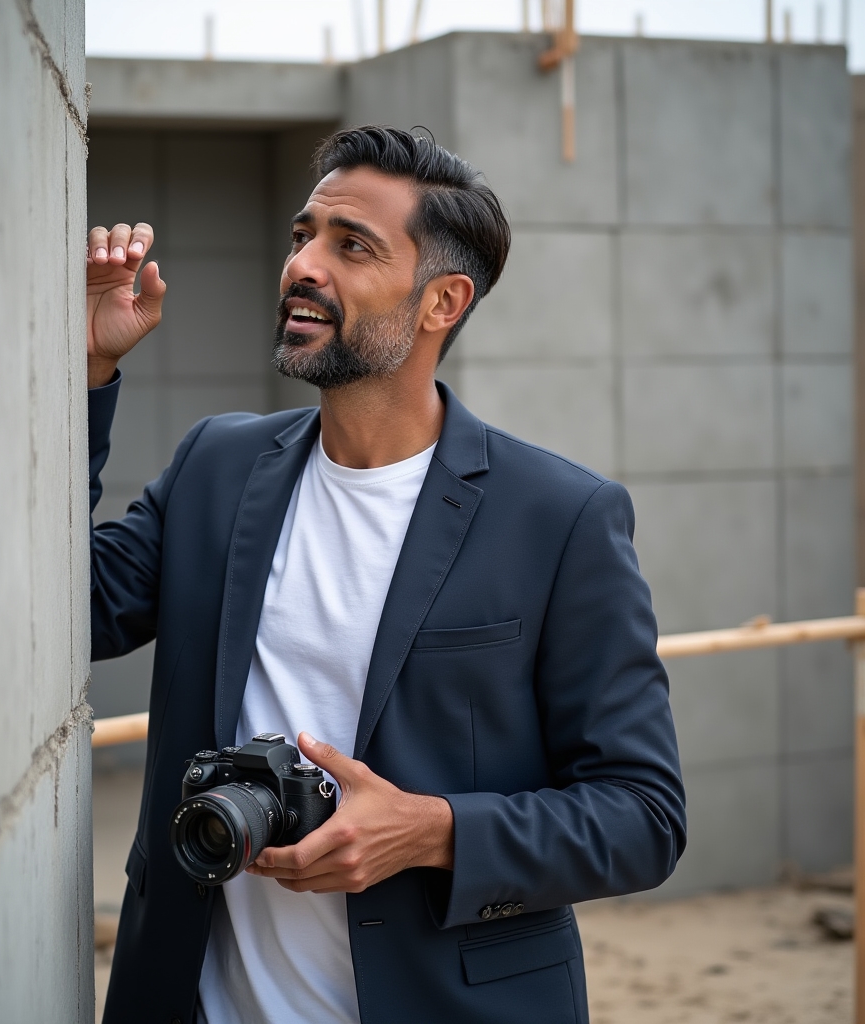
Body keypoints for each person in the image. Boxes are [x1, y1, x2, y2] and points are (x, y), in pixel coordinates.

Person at [87, 126, 686, 1024]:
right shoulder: (217, 465)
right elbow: (72, 613)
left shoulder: (560, 518)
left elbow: (644, 816)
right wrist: (88, 371)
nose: (303, 265)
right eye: (303, 235)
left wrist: (432, 832)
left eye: (352, 246)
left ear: (443, 300)